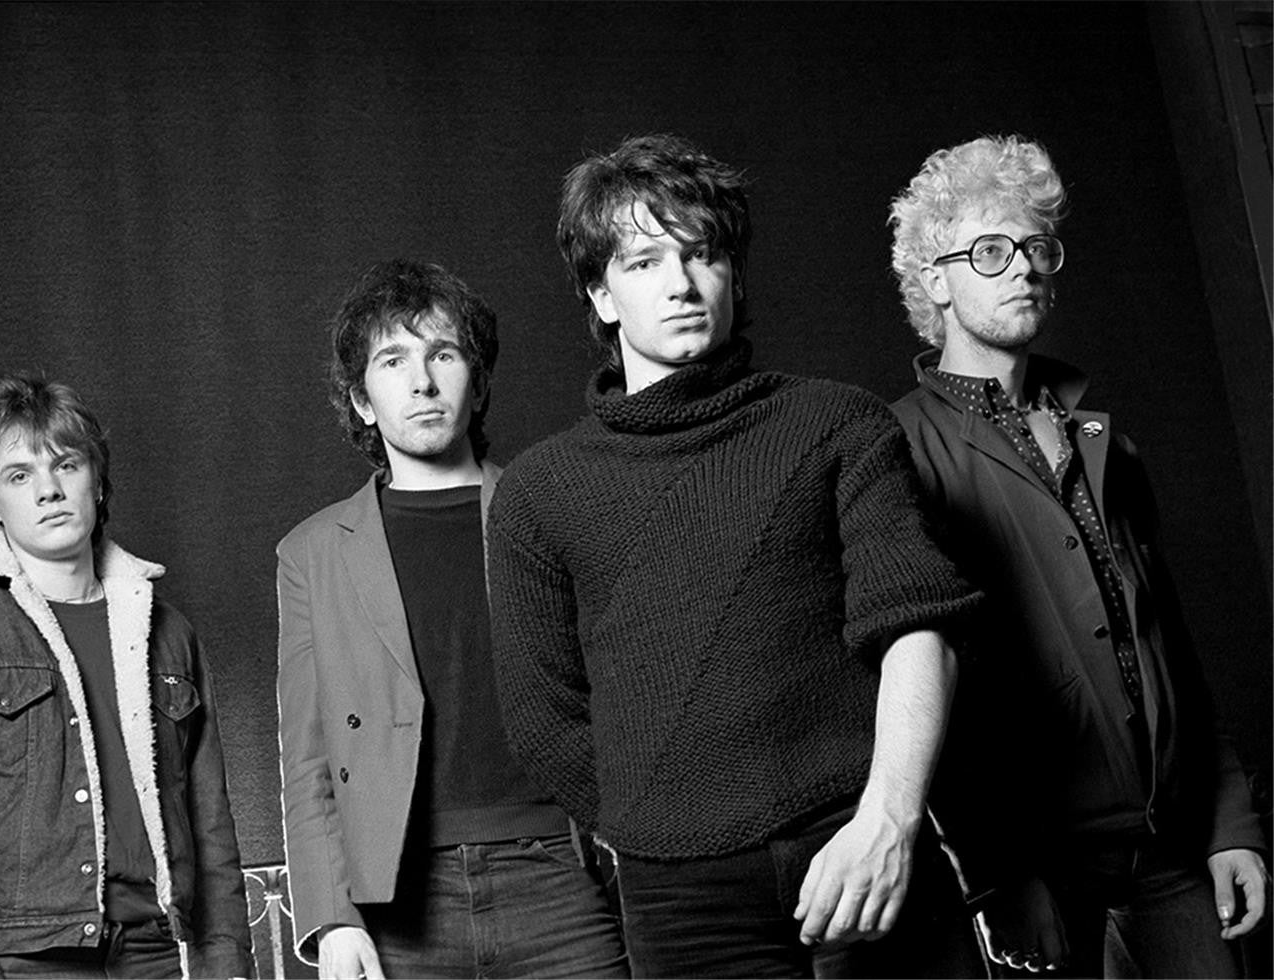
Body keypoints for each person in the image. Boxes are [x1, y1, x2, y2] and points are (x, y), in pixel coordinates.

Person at [485, 132, 985, 978]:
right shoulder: (539, 492)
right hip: (684, 901)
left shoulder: (837, 423)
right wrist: (663, 823)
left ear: (735, 276)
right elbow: (544, 720)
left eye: (703, 255)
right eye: (644, 263)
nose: (681, 284)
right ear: (601, 296)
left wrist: (889, 820)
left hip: (861, 838)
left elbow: (917, 628)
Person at [887, 134, 1269, 977]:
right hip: (1042, 866)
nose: (1022, 267)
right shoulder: (897, 451)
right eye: (990, 250)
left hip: (1173, 847)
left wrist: (1231, 823)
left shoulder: (1104, 442)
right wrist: (995, 876)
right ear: (935, 280)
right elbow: (918, 685)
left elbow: (1168, 639)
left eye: (1036, 247)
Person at [276, 259, 627, 980]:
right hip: (401, 898)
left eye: (442, 354)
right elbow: (307, 755)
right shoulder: (312, 554)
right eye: (393, 360)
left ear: (479, 381)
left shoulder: (550, 509)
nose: (422, 382)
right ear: (363, 401)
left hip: (560, 876)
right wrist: (332, 919)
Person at [0, 374, 252, 979]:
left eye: (66, 465)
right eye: (20, 475)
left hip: (156, 952)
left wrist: (228, 961)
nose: (49, 490)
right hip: (22, 959)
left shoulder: (168, 630)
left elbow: (210, 820)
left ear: (97, 483)